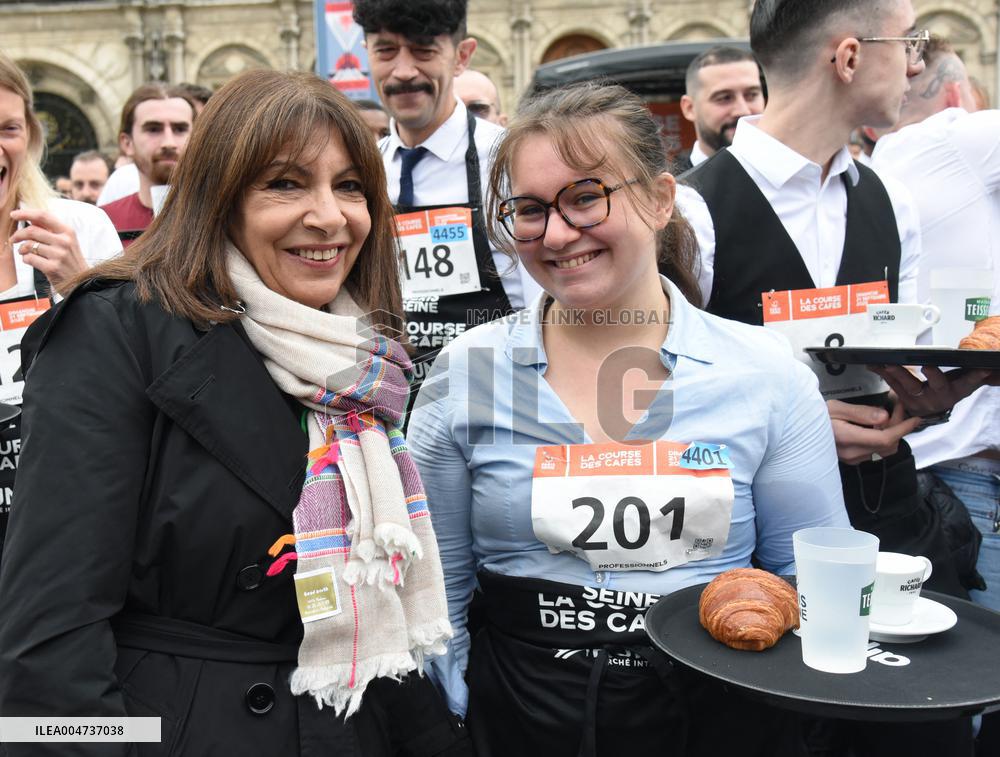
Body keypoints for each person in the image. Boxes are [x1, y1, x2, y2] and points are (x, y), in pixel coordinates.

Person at [0, 68, 469, 757]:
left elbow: (379, 633)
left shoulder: (358, 360)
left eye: (349, 186)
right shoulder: (115, 331)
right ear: (217, 196)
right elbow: (46, 653)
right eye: (285, 183)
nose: (330, 216)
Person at [407, 81, 848, 756]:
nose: (556, 234)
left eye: (586, 197)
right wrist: (457, 723)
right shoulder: (465, 373)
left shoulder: (767, 375)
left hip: (718, 716)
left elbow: (813, 578)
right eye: (529, 210)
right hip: (522, 718)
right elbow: (438, 594)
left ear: (659, 198)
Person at [676, 2, 991, 753]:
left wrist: (933, 398)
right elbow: (656, 395)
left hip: (889, 528)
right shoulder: (693, 207)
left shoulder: (889, 198)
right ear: (848, 57)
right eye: (908, 43)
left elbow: (902, 357)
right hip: (753, 563)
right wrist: (799, 426)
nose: (916, 64)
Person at [871, 37, 1000, 611]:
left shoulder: (879, 169)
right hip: (983, 478)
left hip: (935, 466)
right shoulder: (959, 135)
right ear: (958, 94)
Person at [354, 0, 541, 388]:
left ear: (461, 57)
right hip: (395, 405)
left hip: (502, 397)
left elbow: (546, 301)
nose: (404, 72)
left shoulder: (511, 160)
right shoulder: (360, 172)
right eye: (386, 51)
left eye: (424, 51)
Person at [0, 53, 122, 562]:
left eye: (8, 127)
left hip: (65, 513)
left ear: (28, 135)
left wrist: (77, 286)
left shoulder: (80, 227)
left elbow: (133, 370)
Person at [99, 83, 195, 245]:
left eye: (179, 129)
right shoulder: (103, 223)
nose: (168, 142)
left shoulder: (224, 219)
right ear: (127, 143)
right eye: (153, 129)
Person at [675, 46, 765, 172]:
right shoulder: (670, 188)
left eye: (751, 95)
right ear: (689, 108)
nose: (743, 111)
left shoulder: (792, 176)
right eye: (725, 98)